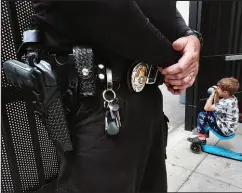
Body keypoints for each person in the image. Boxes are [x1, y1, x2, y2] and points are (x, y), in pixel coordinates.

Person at [31, 1, 202, 193]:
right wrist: (174, 60)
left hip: (145, 94)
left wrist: (188, 35)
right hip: (97, 103)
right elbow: (105, 10)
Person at [188, 77, 240, 144]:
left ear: (225, 92)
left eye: (218, 88)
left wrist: (212, 95)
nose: (217, 89)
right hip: (229, 128)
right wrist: (216, 94)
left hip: (224, 131)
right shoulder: (233, 98)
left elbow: (206, 108)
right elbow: (216, 104)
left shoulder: (226, 103)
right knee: (210, 112)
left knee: (202, 115)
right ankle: (202, 130)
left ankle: (201, 138)